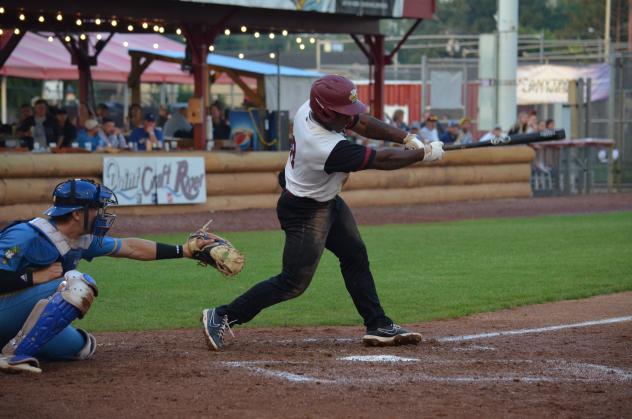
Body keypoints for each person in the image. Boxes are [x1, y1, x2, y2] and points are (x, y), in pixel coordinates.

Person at [201, 74, 445, 351]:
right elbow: (382, 160)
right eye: (343, 114)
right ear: (327, 113)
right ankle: (222, 315)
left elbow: (361, 122)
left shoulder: (312, 108)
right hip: (305, 211)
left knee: (355, 255)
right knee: (292, 282)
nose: (348, 119)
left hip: (325, 200)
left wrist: (406, 137)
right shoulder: (324, 147)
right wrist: (423, 154)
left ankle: (377, 323)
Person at [0, 179, 219, 374]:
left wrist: (184, 251)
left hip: (18, 316)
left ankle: (19, 344)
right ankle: (16, 356)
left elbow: (130, 248)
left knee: (81, 348)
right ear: (77, 213)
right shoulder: (26, 235)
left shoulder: (81, 239)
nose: (101, 214)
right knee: (77, 283)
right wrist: (34, 278)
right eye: (96, 208)